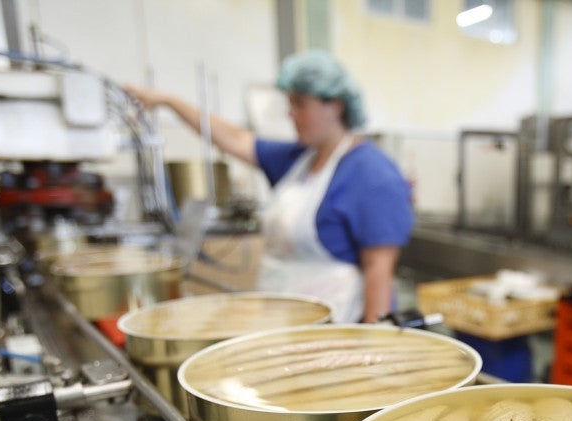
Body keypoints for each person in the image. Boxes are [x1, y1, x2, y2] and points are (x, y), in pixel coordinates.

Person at [125, 50, 413, 323]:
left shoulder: (372, 174)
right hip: (284, 321)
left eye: (300, 104)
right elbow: (234, 138)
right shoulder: (298, 159)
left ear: (335, 105)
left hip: (339, 329)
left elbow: (379, 271)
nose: (290, 114)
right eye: (290, 104)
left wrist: (374, 349)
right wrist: (168, 101)